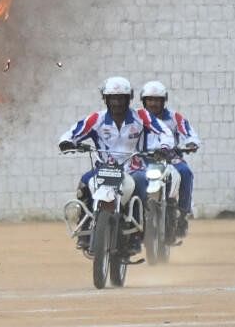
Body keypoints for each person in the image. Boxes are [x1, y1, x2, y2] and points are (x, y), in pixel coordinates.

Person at [59, 76, 171, 251]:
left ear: (129, 99)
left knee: (142, 183)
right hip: (104, 170)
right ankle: (86, 227)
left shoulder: (141, 116)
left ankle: (136, 234)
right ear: (106, 99)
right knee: (85, 182)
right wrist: (67, 142)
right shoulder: (96, 119)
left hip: (133, 169)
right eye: (112, 98)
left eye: (121, 98)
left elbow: (164, 131)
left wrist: (164, 147)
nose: (117, 102)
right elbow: (74, 131)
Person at [139, 80, 200, 237]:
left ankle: (183, 214)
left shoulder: (174, 117)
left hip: (170, 158)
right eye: (150, 100)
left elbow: (188, 133)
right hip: (143, 159)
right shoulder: (137, 117)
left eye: (157, 100)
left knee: (185, 172)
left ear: (163, 101)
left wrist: (191, 142)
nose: (153, 103)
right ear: (144, 101)